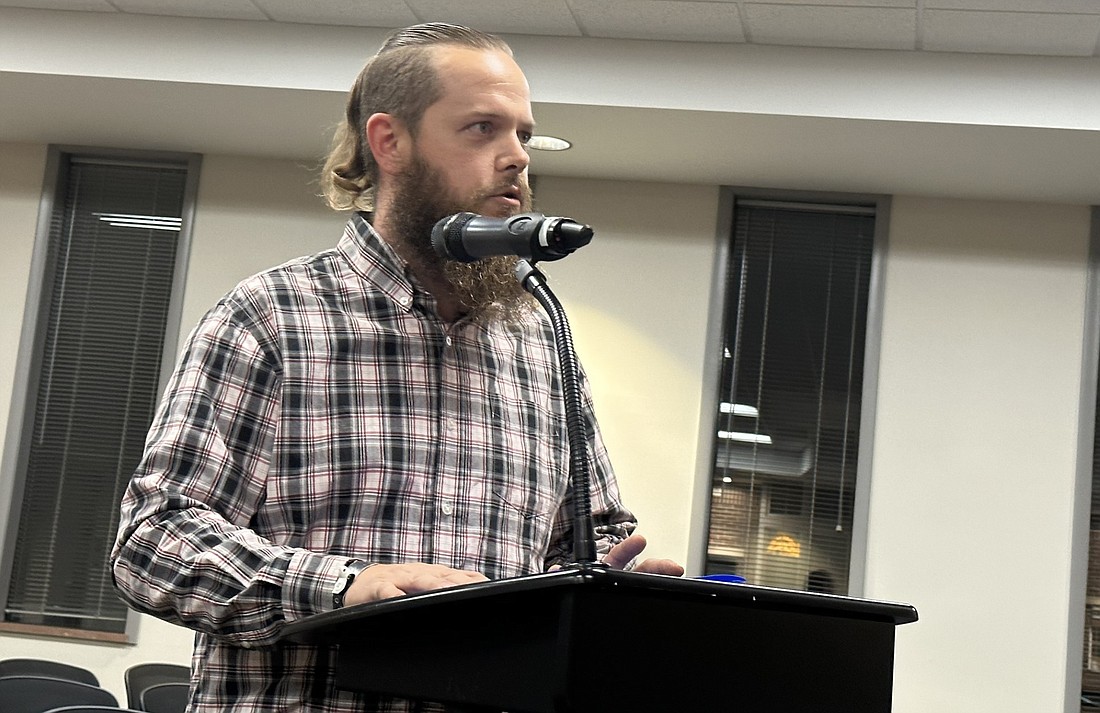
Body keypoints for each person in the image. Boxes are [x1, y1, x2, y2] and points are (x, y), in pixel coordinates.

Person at [111, 22, 682, 713]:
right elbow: (155, 539)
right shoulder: (271, 318)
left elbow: (589, 541)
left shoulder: (540, 339)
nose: (515, 159)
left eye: (523, 135)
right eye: (481, 128)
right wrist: (346, 585)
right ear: (390, 142)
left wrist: (614, 581)